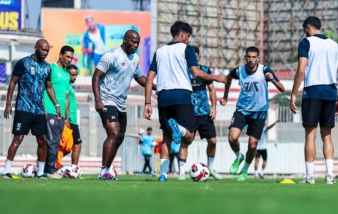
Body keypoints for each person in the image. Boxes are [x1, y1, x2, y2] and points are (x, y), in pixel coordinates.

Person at [143, 20, 227, 182]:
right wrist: (216, 77)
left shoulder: (159, 51)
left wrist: (147, 103)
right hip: (182, 96)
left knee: (166, 136)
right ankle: (179, 129)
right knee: (188, 137)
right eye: (188, 36)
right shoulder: (186, 49)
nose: (188, 40)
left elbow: (149, 78)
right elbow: (195, 72)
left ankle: (163, 175)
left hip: (163, 97)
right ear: (182, 35)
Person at [290, 16, 338, 185]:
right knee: (327, 135)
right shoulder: (335, 45)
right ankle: (330, 176)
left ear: (308, 27)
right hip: (330, 93)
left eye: (304, 29)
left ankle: (310, 177)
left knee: (310, 135)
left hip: (313, 92)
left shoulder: (306, 42)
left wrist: (294, 93)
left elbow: (301, 70)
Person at [92, 29, 151, 181]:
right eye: (133, 41)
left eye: (137, 42)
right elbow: (96, 77)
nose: (136, 45)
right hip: (107, 99)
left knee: (119, 137)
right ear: (125, 40)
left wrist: (156, 86)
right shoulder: (111, 55)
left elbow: (140, 78)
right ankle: (104, 171)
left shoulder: (135, 58)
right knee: (113, 132)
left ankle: (108, 168)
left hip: (121, 103)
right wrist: (98, 100)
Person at [221, 46, 285, 182]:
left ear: (258, 58)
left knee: (252, 145)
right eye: (248, 57)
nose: (251, 59)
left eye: (253, 57)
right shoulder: (239, 71)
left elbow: (282, 88)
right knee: (232, 138)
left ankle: (244, 170)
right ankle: (239, 156)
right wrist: (225, 96)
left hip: (259, 112)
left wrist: (272, 79)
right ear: (245, 57)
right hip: (242, 110)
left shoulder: (264, 70)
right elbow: (228, 78)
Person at [2, 39, 60, 178]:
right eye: (43, 49)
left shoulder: (47, 67)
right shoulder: (23, 63)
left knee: (42, 139)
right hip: (23, 107)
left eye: (47, 50)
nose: (45, 52)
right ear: (36, 48)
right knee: (18, 138)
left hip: (39, 110)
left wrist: (56, 105)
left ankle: (40, 173)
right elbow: (13, 83)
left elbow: (49, 87)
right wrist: (8, 104)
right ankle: (6, 171)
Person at [177, 46, 223, 180]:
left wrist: (214, 107)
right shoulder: (182, 71)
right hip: (188, 112)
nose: (194, 58)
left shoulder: (205, 70)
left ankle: (211, 168)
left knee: (213, 141)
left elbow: (211, 89)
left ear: (198, 57)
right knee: (186, 141)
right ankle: (181, 172)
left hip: (204, 112)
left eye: (196, 56)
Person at [43, 45, 74, 177]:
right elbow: (45, 89)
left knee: (57, 141)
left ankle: (47, 169)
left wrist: (67, 116)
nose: (69, 59)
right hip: (50, 110)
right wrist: (44, 109)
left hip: (61, 114)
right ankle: (50, 170)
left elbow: (66, 97)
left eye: (71, 57)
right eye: (67, 56)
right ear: (60, 55)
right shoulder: (51, 68)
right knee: (53, 140)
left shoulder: (67, 75)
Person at [65, 64, 82, 167]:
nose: (74, 77)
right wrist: (67, 118)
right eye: (72, 75)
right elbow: (65, 101)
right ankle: (74, 168)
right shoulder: (65, 85)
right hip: (70, 120)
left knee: (74, 144)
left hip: (72, 120)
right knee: (77, 144)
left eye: (76, 75)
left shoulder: (69, 86)